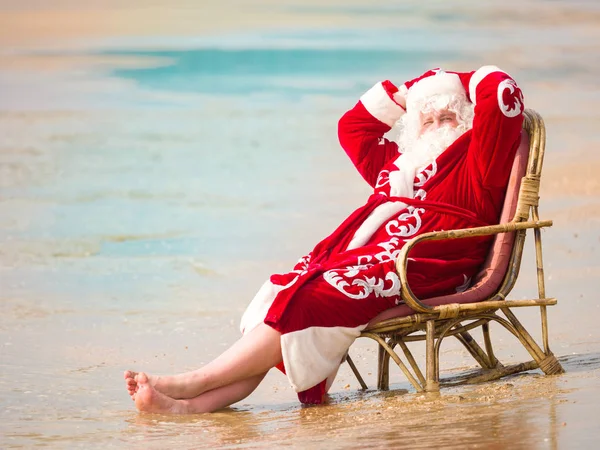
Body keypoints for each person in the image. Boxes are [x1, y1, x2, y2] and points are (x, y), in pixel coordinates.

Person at [124, 65, 525, 414]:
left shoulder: (479, 160)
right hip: (366, 259)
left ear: (470, 121)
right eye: (427, 119)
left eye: (448, 116)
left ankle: (193, 382)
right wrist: (411, 92)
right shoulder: (399, 166)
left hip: (427, 265)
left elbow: (499, 89)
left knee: (312, 296)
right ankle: (191, 407)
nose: (436, 125)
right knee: (283, 293)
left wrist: (450, 81)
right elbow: (353, 128)